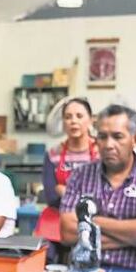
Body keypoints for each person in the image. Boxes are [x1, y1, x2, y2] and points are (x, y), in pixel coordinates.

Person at [59, 104, 136, 271]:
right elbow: (67, 233)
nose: (108, 145)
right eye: (102, 136)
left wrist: (89, 221)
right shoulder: (79, 176)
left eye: (117, 136)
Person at [35, 97, 97, 259]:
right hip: (56, 219)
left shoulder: (100, 153)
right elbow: (52, 197)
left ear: (90, 119)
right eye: (68, 117)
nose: (73, 121)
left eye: (79, 116)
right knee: (45, 256)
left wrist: (66, 191)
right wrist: (83, 195)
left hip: (94, 220)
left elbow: (103, 195)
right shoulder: (53, 154)